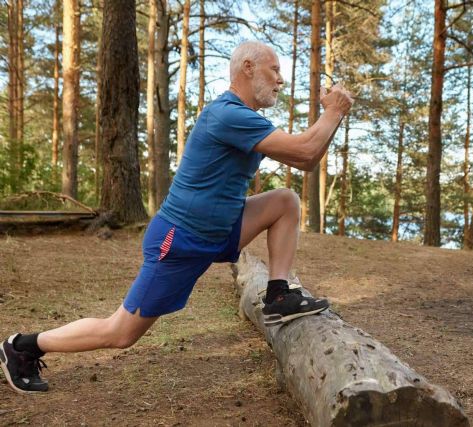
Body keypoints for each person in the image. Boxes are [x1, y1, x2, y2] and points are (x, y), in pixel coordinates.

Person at [0, 41, 354, 394]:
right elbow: (306, 148)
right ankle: (23, 346)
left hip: (221, 229)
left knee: (285, 201)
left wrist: (333, 116)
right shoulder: (228, 114)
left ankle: (278, 296)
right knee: (121, 332)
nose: (280, 79)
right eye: (274, 69)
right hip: (181, 238)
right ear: (248, 67)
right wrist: (333, 112)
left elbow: (306, 161)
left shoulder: (247, 118)